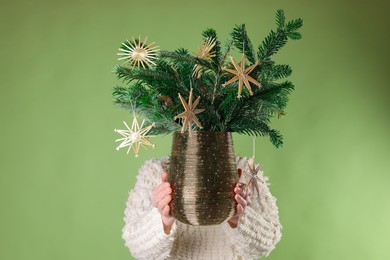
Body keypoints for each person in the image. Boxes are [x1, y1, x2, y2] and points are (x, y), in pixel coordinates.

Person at [122, 156, 281, 259]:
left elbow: (266, 243)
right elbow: (137, 247)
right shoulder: (156, 172)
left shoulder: (246, 171)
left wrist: (237, 218)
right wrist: (163, 220)